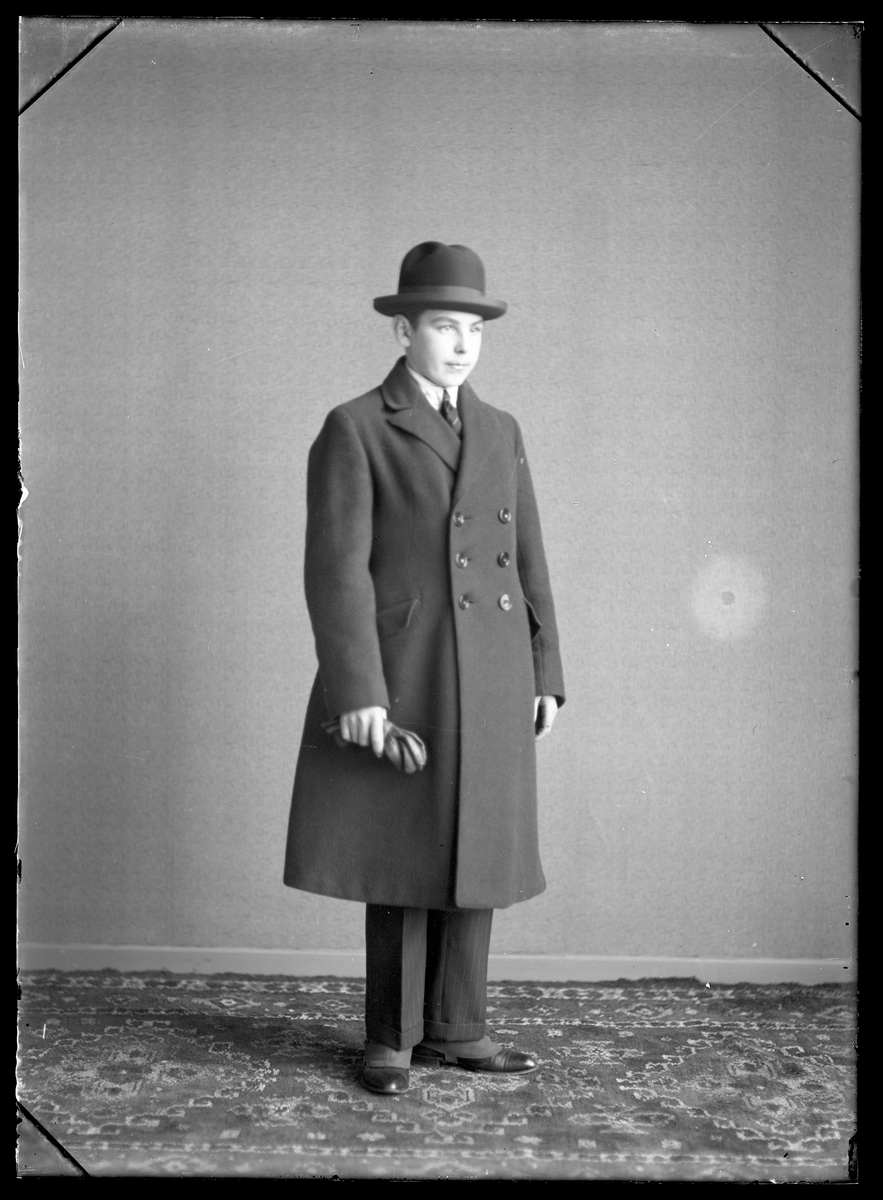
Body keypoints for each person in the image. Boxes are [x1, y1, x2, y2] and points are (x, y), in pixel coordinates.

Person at [284, 242, 565, 1095]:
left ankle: (457, 1027)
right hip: (407, 669)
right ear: (403, 331)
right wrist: (358, 690)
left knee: (478, 849)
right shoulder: (356, 426)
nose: (462, 344)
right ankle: (393, 1038)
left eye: (473, 329)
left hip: (492, 669)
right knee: (404, 857)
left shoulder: (500, 428)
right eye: (444, 326)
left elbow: (527, 557)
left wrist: (544, 670)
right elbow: (335, 570)